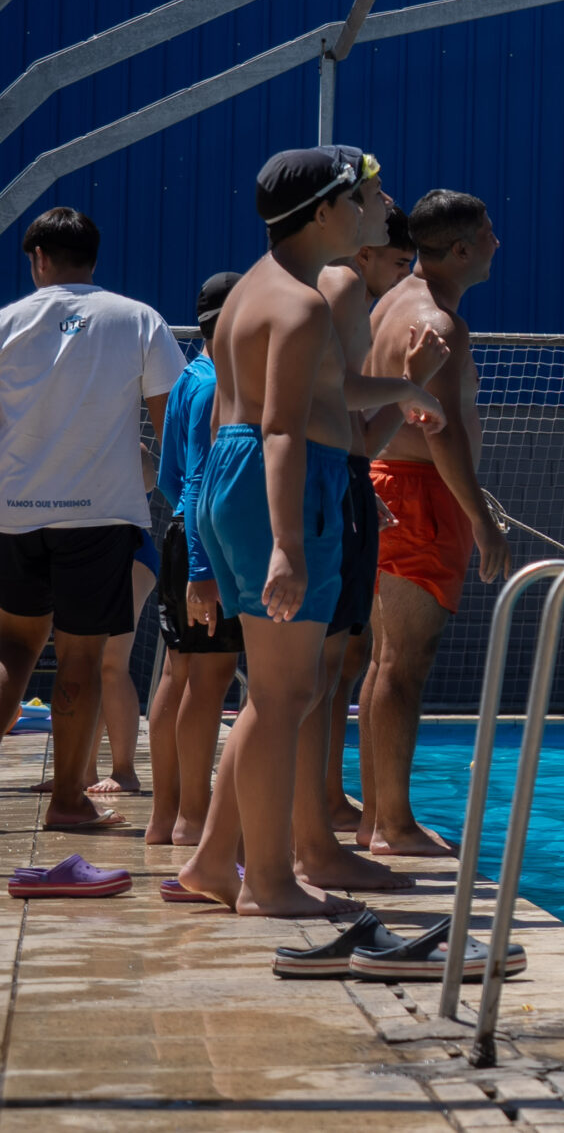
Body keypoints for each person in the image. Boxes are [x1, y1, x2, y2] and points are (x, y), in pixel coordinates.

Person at [174, 150, 442, 914]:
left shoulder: (256, 291)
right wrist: (288, 545)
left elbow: (328, 389)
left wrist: (406, 387)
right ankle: (266, 880)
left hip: (237, 479)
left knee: (275, 693)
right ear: (324, 213)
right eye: (361, 199)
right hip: (281, 485)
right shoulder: (301, 304)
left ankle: (213, 861)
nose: (373, 211)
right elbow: (284, 427)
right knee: (286, 693)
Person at [0, 207, 188, 832]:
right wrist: (185, 506)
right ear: (94, 258)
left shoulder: (6, 323)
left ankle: (67, 798)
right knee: (81, 655)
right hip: (99, 515)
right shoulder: (137, 319)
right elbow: (172, 425)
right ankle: (68, 802)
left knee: (13, 648)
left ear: (38, 259)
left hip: (14, 514)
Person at [361, 188, 508, 858]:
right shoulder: (439, 322)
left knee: (384, 660)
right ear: (459, 250)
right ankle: (394, 825)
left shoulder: (393, 300)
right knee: (404, 663)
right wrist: (482, 520)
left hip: (392, 484)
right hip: (418, 495)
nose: (497, 243)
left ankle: (377, 817)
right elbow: (440, 431)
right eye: (488, 233)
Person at [325, 200, 422, 832]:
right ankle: (303, 835)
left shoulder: (347, 295)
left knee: (333, 667)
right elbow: (330, 402)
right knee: (305, 680)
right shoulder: (338, 288)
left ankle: (322, 810)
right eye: (397, 259)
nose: (403, 272)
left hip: (337, 480)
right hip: (317, 485)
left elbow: (346, 426)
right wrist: (410, 384)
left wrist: (355, 481)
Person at [146, 270, 246, 847]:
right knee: (209, 680)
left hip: (183, 533)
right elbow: (201, 479)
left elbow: (170, 476)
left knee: (178, 673)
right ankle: (191, 817)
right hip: (206, 544)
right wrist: (205, 569)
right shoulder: (217, 387)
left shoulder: (190, 376)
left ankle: (167, 817)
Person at [79, 525, 158, 798]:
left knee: (112, 662)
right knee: (86, 664)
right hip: (84, 549)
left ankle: (124, 771)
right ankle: (81, 771)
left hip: (126, 548)